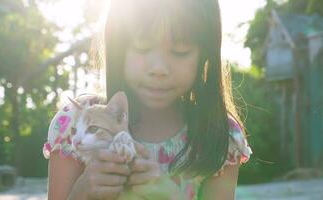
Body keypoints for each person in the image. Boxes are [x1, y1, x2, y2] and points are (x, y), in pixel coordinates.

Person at [43, 0, 253, 199]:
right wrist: (83, 191)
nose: (158, 69)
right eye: (142, 48)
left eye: (180, 51)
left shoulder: (219, 133)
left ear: (205, 54)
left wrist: (168, 194)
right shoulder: (74, 122)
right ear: (119, 48)